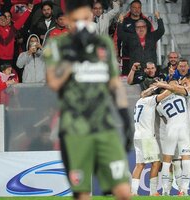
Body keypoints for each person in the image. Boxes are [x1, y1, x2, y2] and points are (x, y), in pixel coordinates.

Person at [43, 0, 133, 199]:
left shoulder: (104, 44)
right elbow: (53, 83)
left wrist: (126, 118)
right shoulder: (57, 45)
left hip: (105, 125)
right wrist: (73, 56)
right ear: (67, 21)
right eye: (77, 20)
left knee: (124, 191)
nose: (82, 24)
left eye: (86, 18)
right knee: (83, 193)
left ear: (91, 17)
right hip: (75, 128)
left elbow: (115, 84)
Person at [155, 79, 190, 196]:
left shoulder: (159, 106)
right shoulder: (181, 95)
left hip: (170, 129)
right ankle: (184, 190)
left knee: (167, 161)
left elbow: (164, 118)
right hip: (183, 129)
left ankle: (165, 190)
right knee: (186, 159)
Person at [131, 86, 171, 196]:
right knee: (156, 163)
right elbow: (165, 94)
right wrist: (173, 86)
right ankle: (153, 192)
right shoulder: (150, 100)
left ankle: (133, 192)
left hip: (137, 135)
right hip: (146, 137)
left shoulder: (139, 101)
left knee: (139, 165)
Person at [0, 1, 33, 66]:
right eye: (0, 19)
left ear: (7, 21)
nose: (3, 20)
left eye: (4, 19)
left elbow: (21, 21)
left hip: (10, 59)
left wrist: (29, 10)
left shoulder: (12, 29)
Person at [115, 0, 153, 75]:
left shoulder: (146, 22)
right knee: (127, 79)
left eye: (139, 7)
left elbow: (152, 39)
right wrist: (117, 54)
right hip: (127, 57)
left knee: (141, 79)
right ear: (130, 8)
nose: (137, 9)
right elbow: (118, 38)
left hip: (142, 58)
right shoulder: (124, 21)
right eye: (134, 7)